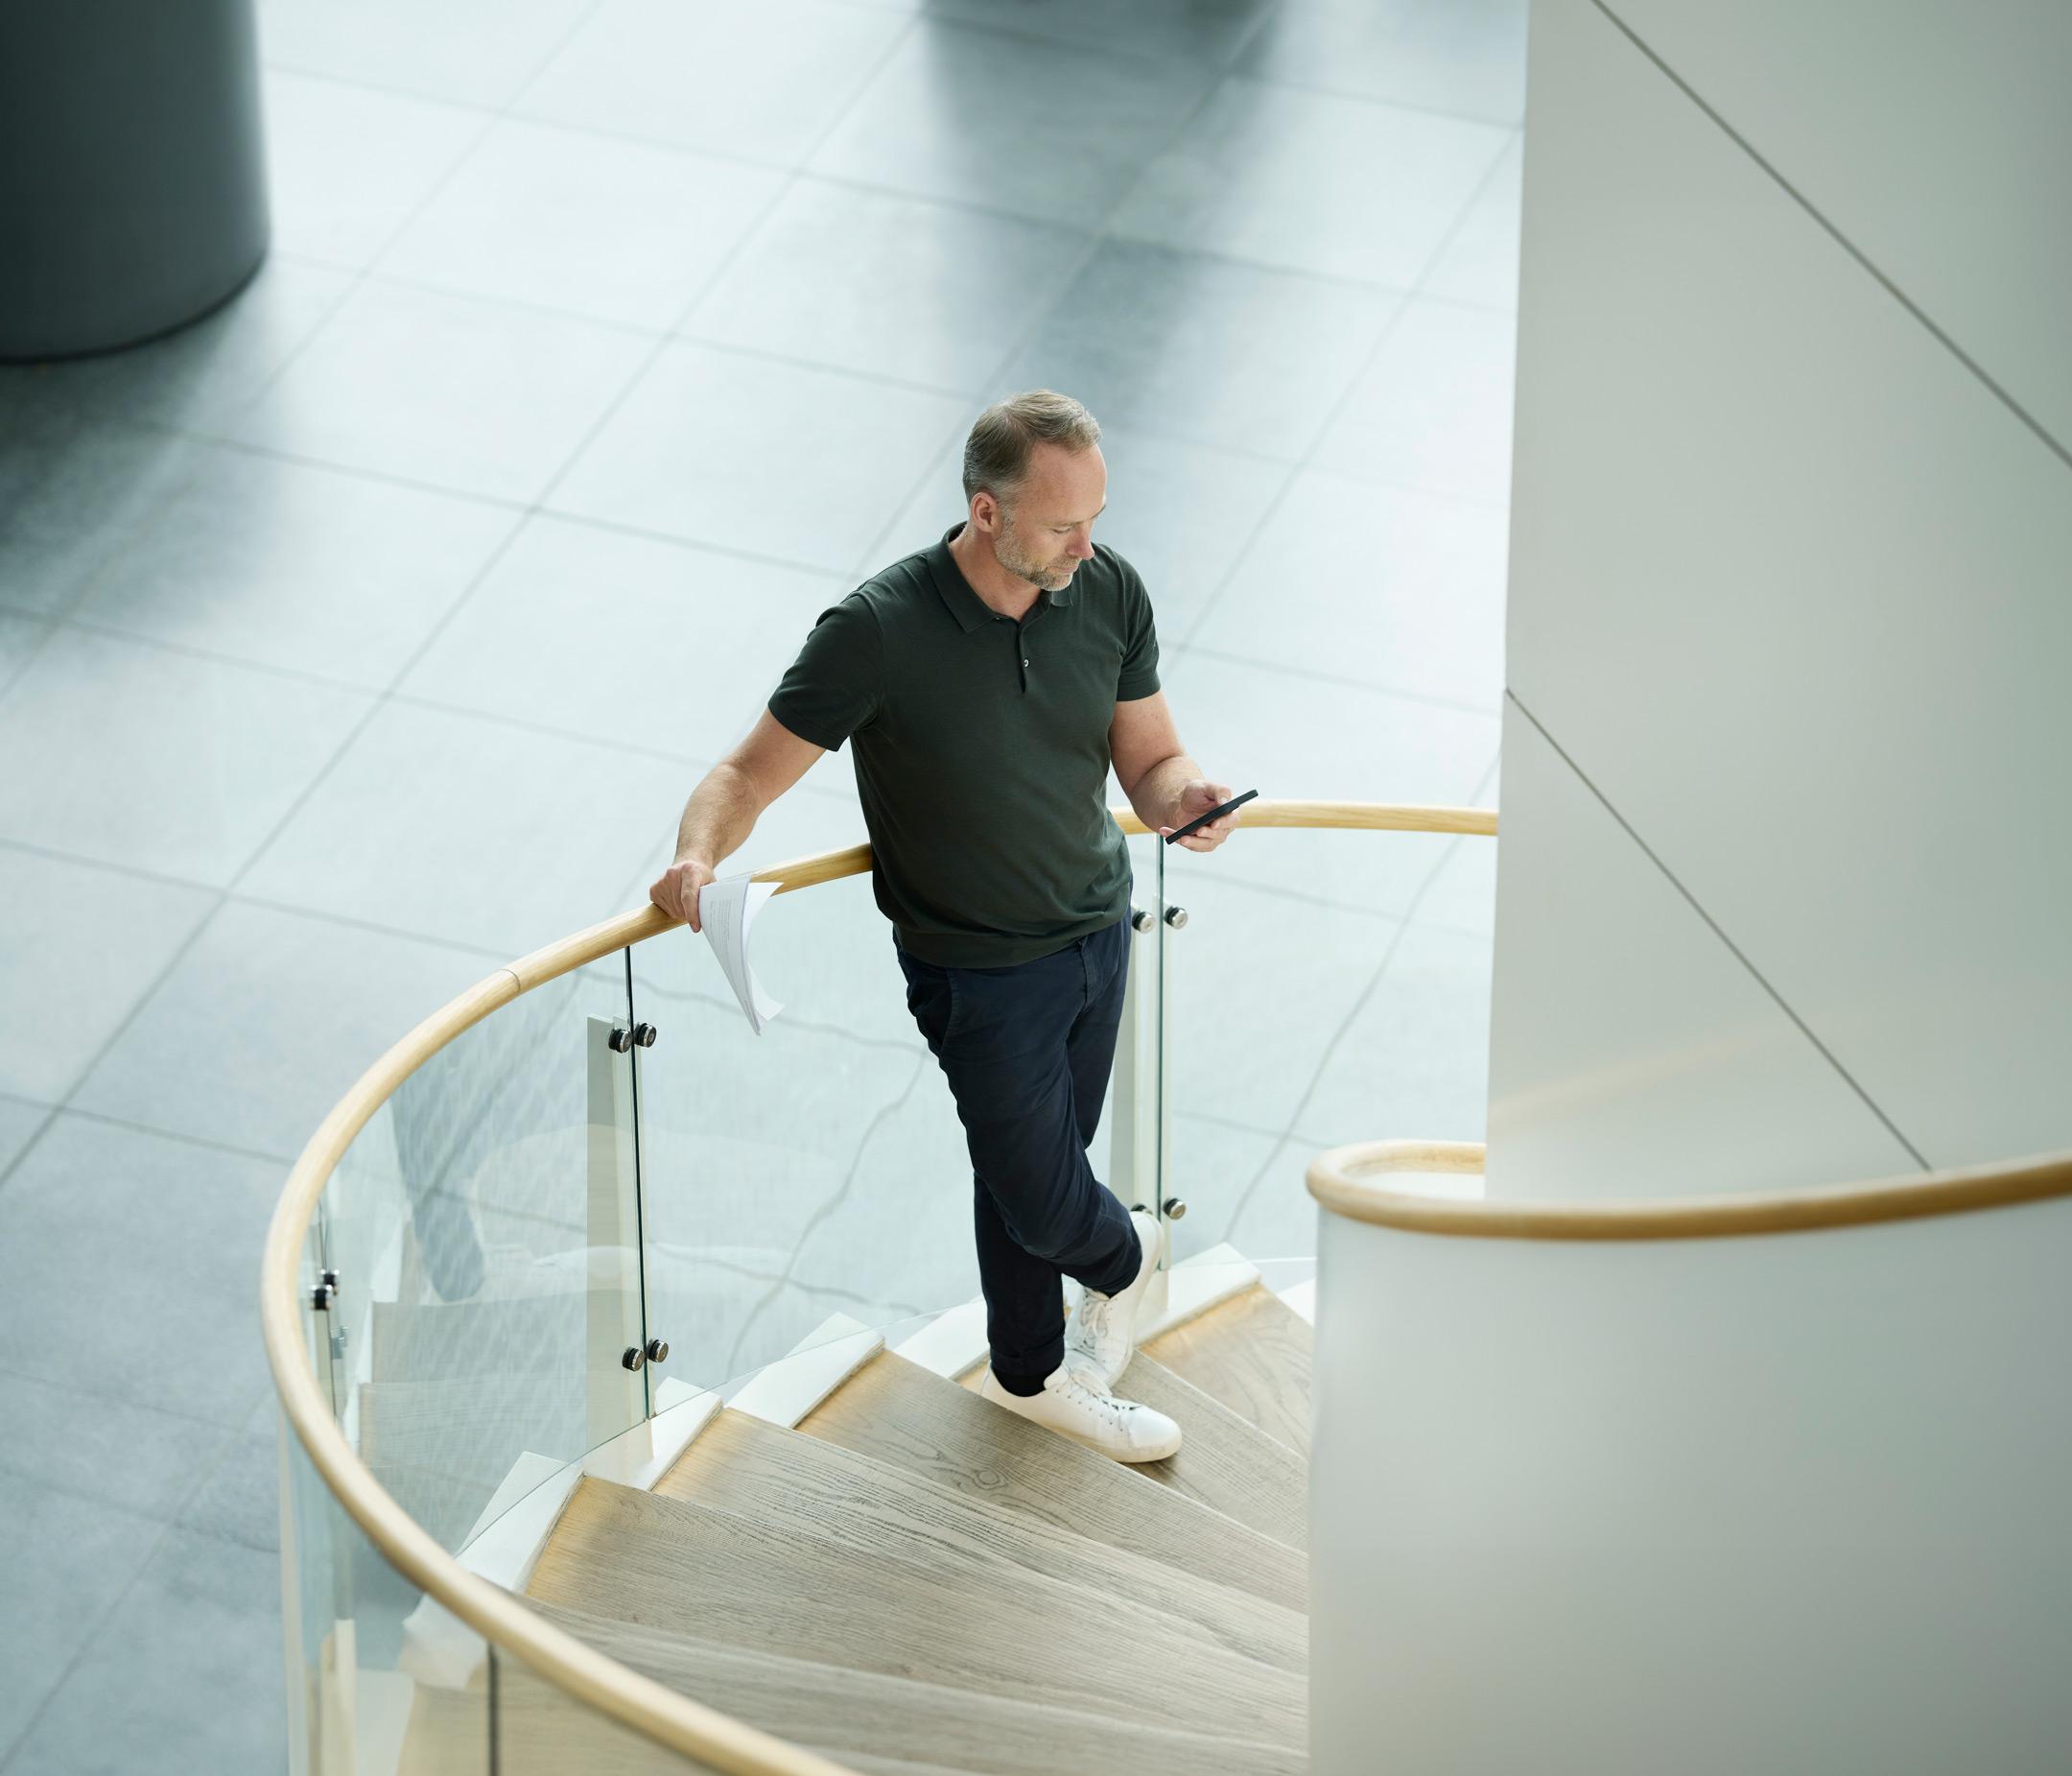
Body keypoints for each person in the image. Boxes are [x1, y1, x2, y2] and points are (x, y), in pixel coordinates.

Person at [648, 391, 1242, 1464]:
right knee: (1045, 1197)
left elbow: (1152, 761)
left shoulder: (1106, 590)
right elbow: (743, 775)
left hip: (1100, 934)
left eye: (1095, 519)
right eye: (1063, 525)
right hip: (978, 972)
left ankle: (1029, 1374)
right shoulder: (877, 631)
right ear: (986, 511)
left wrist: (1184, 798)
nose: (1087, 547)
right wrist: (698, 856)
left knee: (1028, 1173)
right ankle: (1126, 1260)